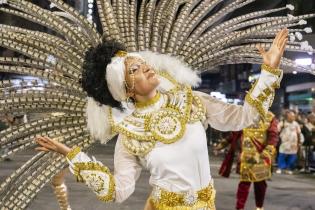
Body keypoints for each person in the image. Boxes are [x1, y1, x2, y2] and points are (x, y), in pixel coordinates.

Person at [35, 28, 288, 210]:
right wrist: (74, 157)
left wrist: (268, 72)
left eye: (142, 63)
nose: (145, 67)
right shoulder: (130, 133)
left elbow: (246, 116)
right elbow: (117, 192)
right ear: (127, 90)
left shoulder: (191, 101)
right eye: (134, 70)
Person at [216, 112, 278, 210]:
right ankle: (239, 208)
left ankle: (259, 207)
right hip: (246, 157)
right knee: (244, 184)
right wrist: (223, 143)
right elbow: (236, 133)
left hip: (261, 158)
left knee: (260, 185)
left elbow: (273, 137)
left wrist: (265, 154)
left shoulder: (270, 117)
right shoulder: (245, 115)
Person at [277, 110, 301, 174]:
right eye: (291, 116)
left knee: (292, 156)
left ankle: (288, 168)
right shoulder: (282, 122)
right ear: (287, 116)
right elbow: (278, 131)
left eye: (293, 116)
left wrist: (299, 142)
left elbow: (298, 133)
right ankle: (280, 168)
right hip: (284, 143)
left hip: (293, 143)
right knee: (282, 155)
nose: (293, 117)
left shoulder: (296, 124)